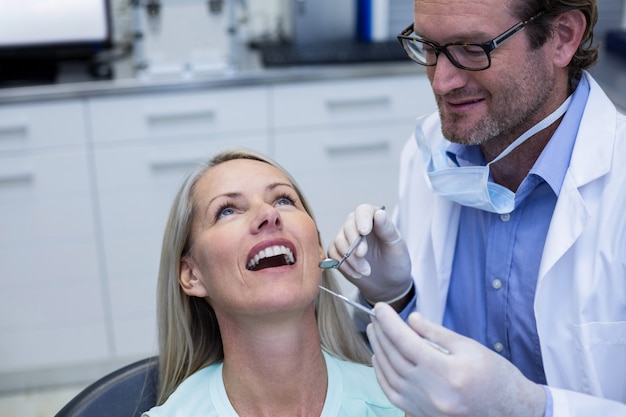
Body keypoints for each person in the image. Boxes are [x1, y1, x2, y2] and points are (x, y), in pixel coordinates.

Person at [328, 0, 626, 416]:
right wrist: (396, 296)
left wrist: (532, 408)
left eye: (472, 48)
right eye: (428, 47)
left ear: (562, 38)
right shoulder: (428, 158)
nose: (441, 82)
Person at [142, 149, 405, 417]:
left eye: (283, 200)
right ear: (191, 274)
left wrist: (398, 295)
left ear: (317, 247)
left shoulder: (402, 404)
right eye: (227, 210)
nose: (268, 214)